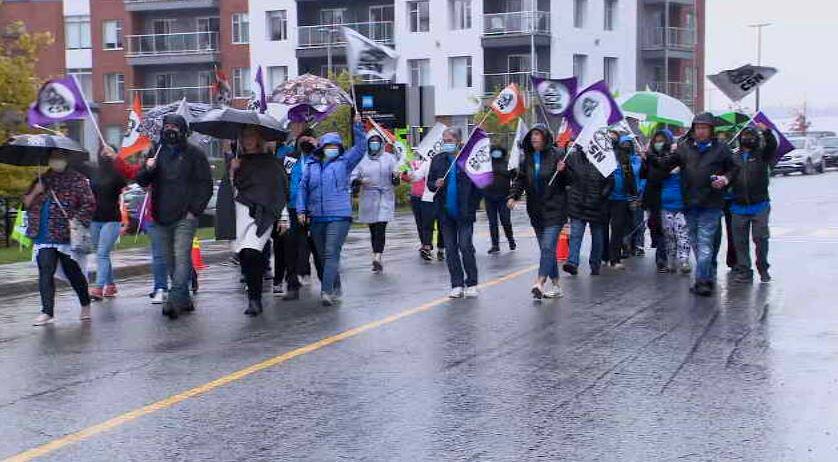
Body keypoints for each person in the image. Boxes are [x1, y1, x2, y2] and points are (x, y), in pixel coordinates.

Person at [651, 112, 739, 296]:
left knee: (705, 241)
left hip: (711, 203)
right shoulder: (684, 148)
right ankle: (707, 276)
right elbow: (665, 164)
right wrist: (652, 156)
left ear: (711, 130)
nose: (701, 131)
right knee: (696, 244)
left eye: (704, 128)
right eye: (698, 127)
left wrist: (725, 179)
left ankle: (701, 281)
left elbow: (734, 168)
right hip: (690, 203)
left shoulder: (721, 149)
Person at [136, 114, 213, 318]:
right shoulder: (156, 151)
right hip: (161, 215)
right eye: (167, 126)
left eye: (175, 127)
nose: (170, 130)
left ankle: (173, 299)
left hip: (185, 216)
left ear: (183, 130)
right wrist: (147, 168)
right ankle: (184, 298)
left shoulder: (195, 154)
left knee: (181, 257)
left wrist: (194, 210)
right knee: (169, 260)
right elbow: (141, 181)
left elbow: (205, 184)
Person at [297, 113, 366, 306]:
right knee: (321, 255)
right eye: (328, 146)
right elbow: (302, 188)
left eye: (335, 146)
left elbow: (361, 148)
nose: (332, 149)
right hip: (317, 217)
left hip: (339, 216)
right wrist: (301, 210)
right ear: (321, 148)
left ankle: (326, 291)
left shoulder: (344, 163)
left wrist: (358, 127)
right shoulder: (311, 165)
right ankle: (336, 286)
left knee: (330, 252)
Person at [24, 150, 96, 326]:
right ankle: (47, 311)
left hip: (65, 234)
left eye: (59, 157)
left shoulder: (77, 179)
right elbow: (26, 203)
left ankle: (85, 303)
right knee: (45, 271)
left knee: (72, 272)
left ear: (66, 159)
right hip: (43, 233)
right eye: (53, 158)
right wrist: (36, 191)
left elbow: (89, 203)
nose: (56, 161)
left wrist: (77, 219)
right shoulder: (42, 178)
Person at [508, 125, 569, 300]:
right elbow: (520, 179)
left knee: (549, 247)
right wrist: (513, 196)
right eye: (532, 135)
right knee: (546, 250)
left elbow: (570, 180)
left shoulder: (557, 154)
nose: (534, 138)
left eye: (538, 134)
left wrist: (563, 171)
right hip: (535, 210)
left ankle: (539, 283)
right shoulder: (527, 158)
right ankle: (556, 285)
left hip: (555, 209)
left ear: (545, 137)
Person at [231, 126, 287, 316]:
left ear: (259, 139)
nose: (247, 140)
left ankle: (255, 300)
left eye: (251, 136)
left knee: (252, 251)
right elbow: (231, 192)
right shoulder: (237, 162)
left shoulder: (272, 163)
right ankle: (253, 295)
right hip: (241, 214)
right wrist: (232, 172)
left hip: (263, 214)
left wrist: (283, 216)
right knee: (245, 257)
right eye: (244, 136)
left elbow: (280, 190)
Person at [108, 147, 169, 304]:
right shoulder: (151, 161)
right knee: (159, 254)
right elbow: (133, 173)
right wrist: (116, 158)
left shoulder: (182, 157)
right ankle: (160, 288)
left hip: (176, 214)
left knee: (177, 253)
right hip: (154, 214)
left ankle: (187, 280)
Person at [427, 127, 481, 299]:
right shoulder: (438, 160)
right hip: (445, 213)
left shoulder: (468, 159)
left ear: (458, 141)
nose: (446, 144)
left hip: (464, 212)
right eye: (444, 141)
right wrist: (436, 183)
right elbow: (429, 183)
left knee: (465, 246)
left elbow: (478, 185)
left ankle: (471, 283)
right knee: (450, 249)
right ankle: (456, 284)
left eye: (449, 141)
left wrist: (473, 205)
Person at [729, 124, 778, 283]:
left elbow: (772, 145)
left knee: (760, 238)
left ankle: (763, 267)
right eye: (744, 136)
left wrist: (766, 131)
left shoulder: (762, 155)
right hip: (738, 206)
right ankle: (744, 270)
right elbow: (727, 173)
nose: (747, 138)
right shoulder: (734, 157)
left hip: (760, 205)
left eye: (751, 135)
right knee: (740, 241)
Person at [351, 132, 400, 272]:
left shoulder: (389, 158)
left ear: (381, 144)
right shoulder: (362, 159)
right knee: (373, 228)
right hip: (368, 196)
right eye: (371, 142)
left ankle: (377, 257)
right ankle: (375, 252)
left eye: (377, 142)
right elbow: (353, 177)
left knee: (381, 227)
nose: (374, 144)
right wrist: (360, 181)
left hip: (385, 196)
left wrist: (396, 177)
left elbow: (396, 178)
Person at [563, 143, 613, 276]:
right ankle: (572, 262)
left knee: (597, 236)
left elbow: (610, 181)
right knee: (576, 235)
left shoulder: (604, 158)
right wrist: (562, 170)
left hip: (597, 204)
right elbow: (567, 178)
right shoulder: (573, 157)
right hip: (577, 203)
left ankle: (595, 264)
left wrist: (601, 196)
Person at [84, 148, 127, 300]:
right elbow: (76, 163)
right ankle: (111, 285)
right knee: (102, 253)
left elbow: (124, 181)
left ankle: (99, 287)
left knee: (102, 253)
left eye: (108, 151)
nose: (104, 153)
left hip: (112, 219)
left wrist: (116, 161)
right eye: (102, 150)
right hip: (95, 219)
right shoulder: (93, 171)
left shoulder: (117, 173)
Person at [643, 129, 678, 273]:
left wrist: (652, 159)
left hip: (667, 199)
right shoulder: (650, 156)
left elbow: (661, 173)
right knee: (656, 227)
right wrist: (645, 161)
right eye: (656, 141)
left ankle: (663, 259)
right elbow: (645, 175)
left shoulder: (673, 157)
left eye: (661, 141)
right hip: (653, 198)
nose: (658, 144)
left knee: (666, 230)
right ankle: (663, 255)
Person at [605, 135, 642, 270]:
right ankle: (604, 256)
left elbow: (630, 177)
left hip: (620, 199)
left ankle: (615, 259)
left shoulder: (625, 159)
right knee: (602, 230)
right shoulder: (604, 158)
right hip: (605, 199)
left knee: (617, 229)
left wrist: (633, 195)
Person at [483, 145, 516, 254]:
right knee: (492, 222)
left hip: (504, 197)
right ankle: (495, 244)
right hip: (489, 197)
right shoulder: (486, 165)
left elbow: (516, 179)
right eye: (494, 152)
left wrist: (513, 195)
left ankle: (510, 239)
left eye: (498, 151)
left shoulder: (508, 165)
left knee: (505, 220)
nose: (496, 154)